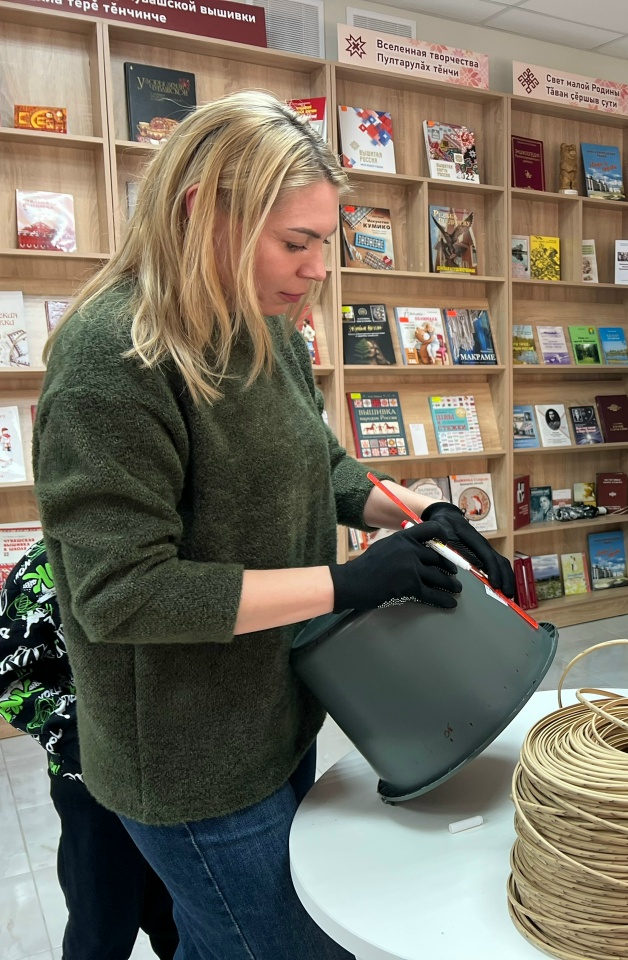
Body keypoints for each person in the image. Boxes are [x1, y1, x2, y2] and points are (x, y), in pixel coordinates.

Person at [32, 91, 516, 960]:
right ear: (200, 214)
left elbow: (318, 463)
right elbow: (122, 594)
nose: (318, 269)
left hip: (277, 709)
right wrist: (345, 583)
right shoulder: (113, 359)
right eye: (296, 243)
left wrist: (415, 510)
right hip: (187, 756)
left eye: (324, 242)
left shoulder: (267, 328)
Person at [0, 540, 180, 960]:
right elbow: (10, 678)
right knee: (100, 926)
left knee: (178, 917)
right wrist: (92, 740)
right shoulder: (45, 564)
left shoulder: (183, 552)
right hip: (90, 786)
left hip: (180, 785)